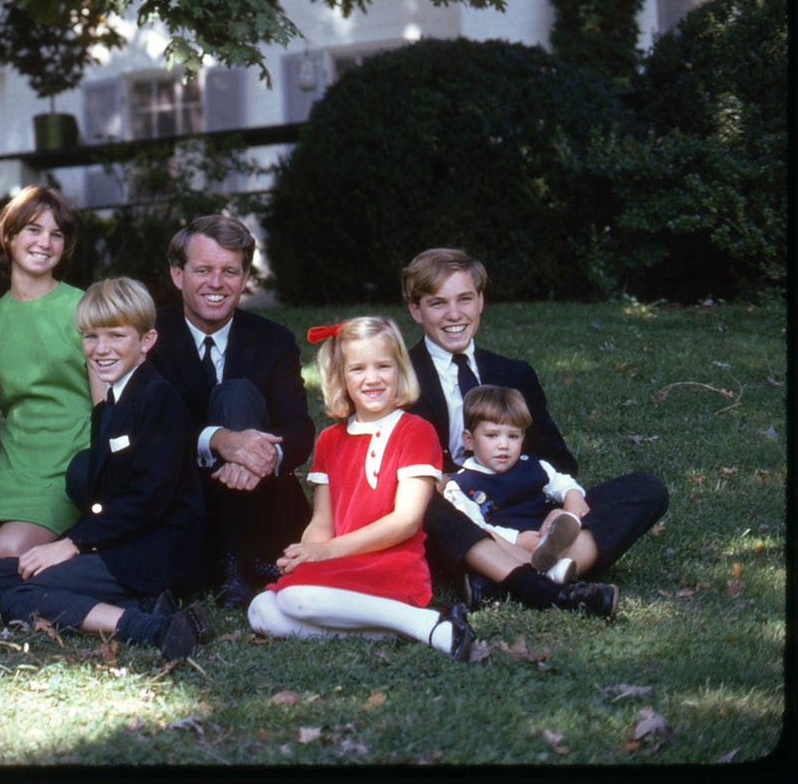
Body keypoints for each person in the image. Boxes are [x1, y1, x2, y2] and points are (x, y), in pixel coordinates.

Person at [403, 247, 668, 618]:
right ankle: (542, 583)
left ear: (481, 301)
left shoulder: (514, 373)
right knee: (425, 502)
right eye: (437, 304)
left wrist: (558, 512)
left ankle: (500, 580)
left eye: (465, 299)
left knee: (645, 490)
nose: (454, 315)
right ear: (416, 310)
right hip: (460, 514)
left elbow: (556, 457)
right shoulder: (401, 379)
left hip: (528, 511)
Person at [0, 278, 209, 661]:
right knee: (1, 575)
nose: (101, 350)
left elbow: (147, 500)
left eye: (116, 336)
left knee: (21, 596)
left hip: (156, 551)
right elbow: (107, 497)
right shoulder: (108, 406)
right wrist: (67, 545)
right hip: (121, 540)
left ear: (146, 341)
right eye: (90, 337)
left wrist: (72, 544)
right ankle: (146, 603)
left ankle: (152, 627)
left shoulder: (159, 399)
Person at [247, 317, 475, 660]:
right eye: (357, 369)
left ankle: (429, 624)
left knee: (297, 599)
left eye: (383, 366)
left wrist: (326, 553)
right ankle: (394, 629)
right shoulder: (330, 440)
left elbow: (406, 521)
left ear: (400, 370)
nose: (372, 379)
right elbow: (323, 522)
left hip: (390, 564)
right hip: (342, 560)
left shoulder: (415, 431)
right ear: (341, 377)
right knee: (262, 609)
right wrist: (306, 553)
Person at [147, 215, 315, 607]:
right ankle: (233, 560)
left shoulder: (273, 341)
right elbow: (150, 429)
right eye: (203, 270)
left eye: (230, 271)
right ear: (177, 274)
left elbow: (299, 428)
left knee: (238, 394)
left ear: (243, 278)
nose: (217, 284)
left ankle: (234, 562)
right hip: (183, 503)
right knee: (233, 398)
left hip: (263, 503)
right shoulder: (149, 338)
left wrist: (257, 455)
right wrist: (221, 441)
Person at [0, 186, 93, 562]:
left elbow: (107, 402)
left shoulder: (83, 308)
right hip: (11, 463)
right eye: (33, 229)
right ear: (9, 237)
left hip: (66, 462)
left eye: (56, 234)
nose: (44, 242)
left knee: (8, 550)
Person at [444, 385, 598, 587]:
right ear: (469, 440)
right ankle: (550, 573)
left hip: (544, 537)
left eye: (513, 436)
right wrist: (516, 539)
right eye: (492, 435)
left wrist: (573, 495)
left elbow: (561, 481)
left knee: (564, 519)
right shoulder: (461, 484)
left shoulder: (533, 465)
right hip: (505, 547)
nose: (503, 445)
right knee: (485, 537)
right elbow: (475, 527)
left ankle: (553, 566)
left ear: (523, 438)